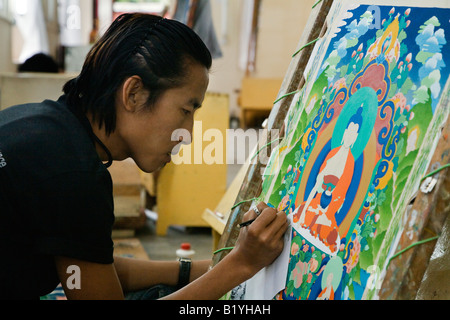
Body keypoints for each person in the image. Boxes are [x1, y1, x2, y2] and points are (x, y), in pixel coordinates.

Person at [0, 13, 288, 300]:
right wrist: (242, 265)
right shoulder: (75, 176)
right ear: (134, 93)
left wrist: (210, 267)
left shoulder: (42, 126)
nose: (187, 133)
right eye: (186, 111)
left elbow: (93, 265)